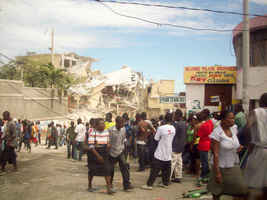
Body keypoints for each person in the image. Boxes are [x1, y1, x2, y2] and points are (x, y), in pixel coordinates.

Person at [208, 110, 248, 200]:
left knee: (241, 190)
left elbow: (233, 144)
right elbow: (216, 154)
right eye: (230, 118)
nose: (233, 120)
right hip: (220, 167)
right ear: (223, 119)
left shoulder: (234, 129)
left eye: (233, 118)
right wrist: (217, 173)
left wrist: (238, 147)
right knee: (217, 191)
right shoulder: (217, 133)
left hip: (233, 165)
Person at [141, 112, 175, 190]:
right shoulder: (173, 128)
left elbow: (156, 139)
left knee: (155, 169)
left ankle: (149, 185)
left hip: (160, 151)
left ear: (165, 119)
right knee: (167, 168)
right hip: (168, 151)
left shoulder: (161, 128)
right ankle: (165, 183)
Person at [244, 93, 267, 200]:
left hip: (259, 150)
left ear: (261, 102)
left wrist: (249, 144)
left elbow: (247, 128)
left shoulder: (256, 112)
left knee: (253, 183)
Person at [83, 118, 114, 194]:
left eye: (104, 123)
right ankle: (89, 185)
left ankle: (109, 188)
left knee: (107, 170)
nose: (103, 125)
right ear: (96, 125)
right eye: (101, 124)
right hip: (94, 153)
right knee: (92, 170)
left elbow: (107, 141)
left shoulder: (106, 132)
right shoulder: (92, 132)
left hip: (104, 152)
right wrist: (98, 156)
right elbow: (91, 146)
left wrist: (108, 145)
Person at [109, 116, 133, 191]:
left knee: (125, 167)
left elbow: (123, 138)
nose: (122, 125)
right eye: (121, 123)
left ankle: (126, 185)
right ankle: (109, 184)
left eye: (123, 123)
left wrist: (126, 142)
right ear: (117, 123)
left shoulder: (123, 129)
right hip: (112, 152)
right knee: (111, 169)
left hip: (120, 151)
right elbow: (108, 141)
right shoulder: (110, 130)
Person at [197, 109, 214, 183]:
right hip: (209, 143)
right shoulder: (211, 122)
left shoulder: (204, 125)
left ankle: (204, 176)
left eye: (202, 114)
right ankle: (206, 176)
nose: (201, 115)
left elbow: (199, 135)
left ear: (205, 115)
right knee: (206, 161)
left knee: (204, 162)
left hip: (203, 144)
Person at [171, 109, 187, 183]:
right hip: (181, 145)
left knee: (172, 162)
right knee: (179, 162)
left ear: (178, 115)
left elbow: (173, 135)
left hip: (175, 145)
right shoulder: (184, 123)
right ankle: (178, 176)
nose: (173, 116)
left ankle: (168, 178)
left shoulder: (176, 124)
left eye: (174, 115)